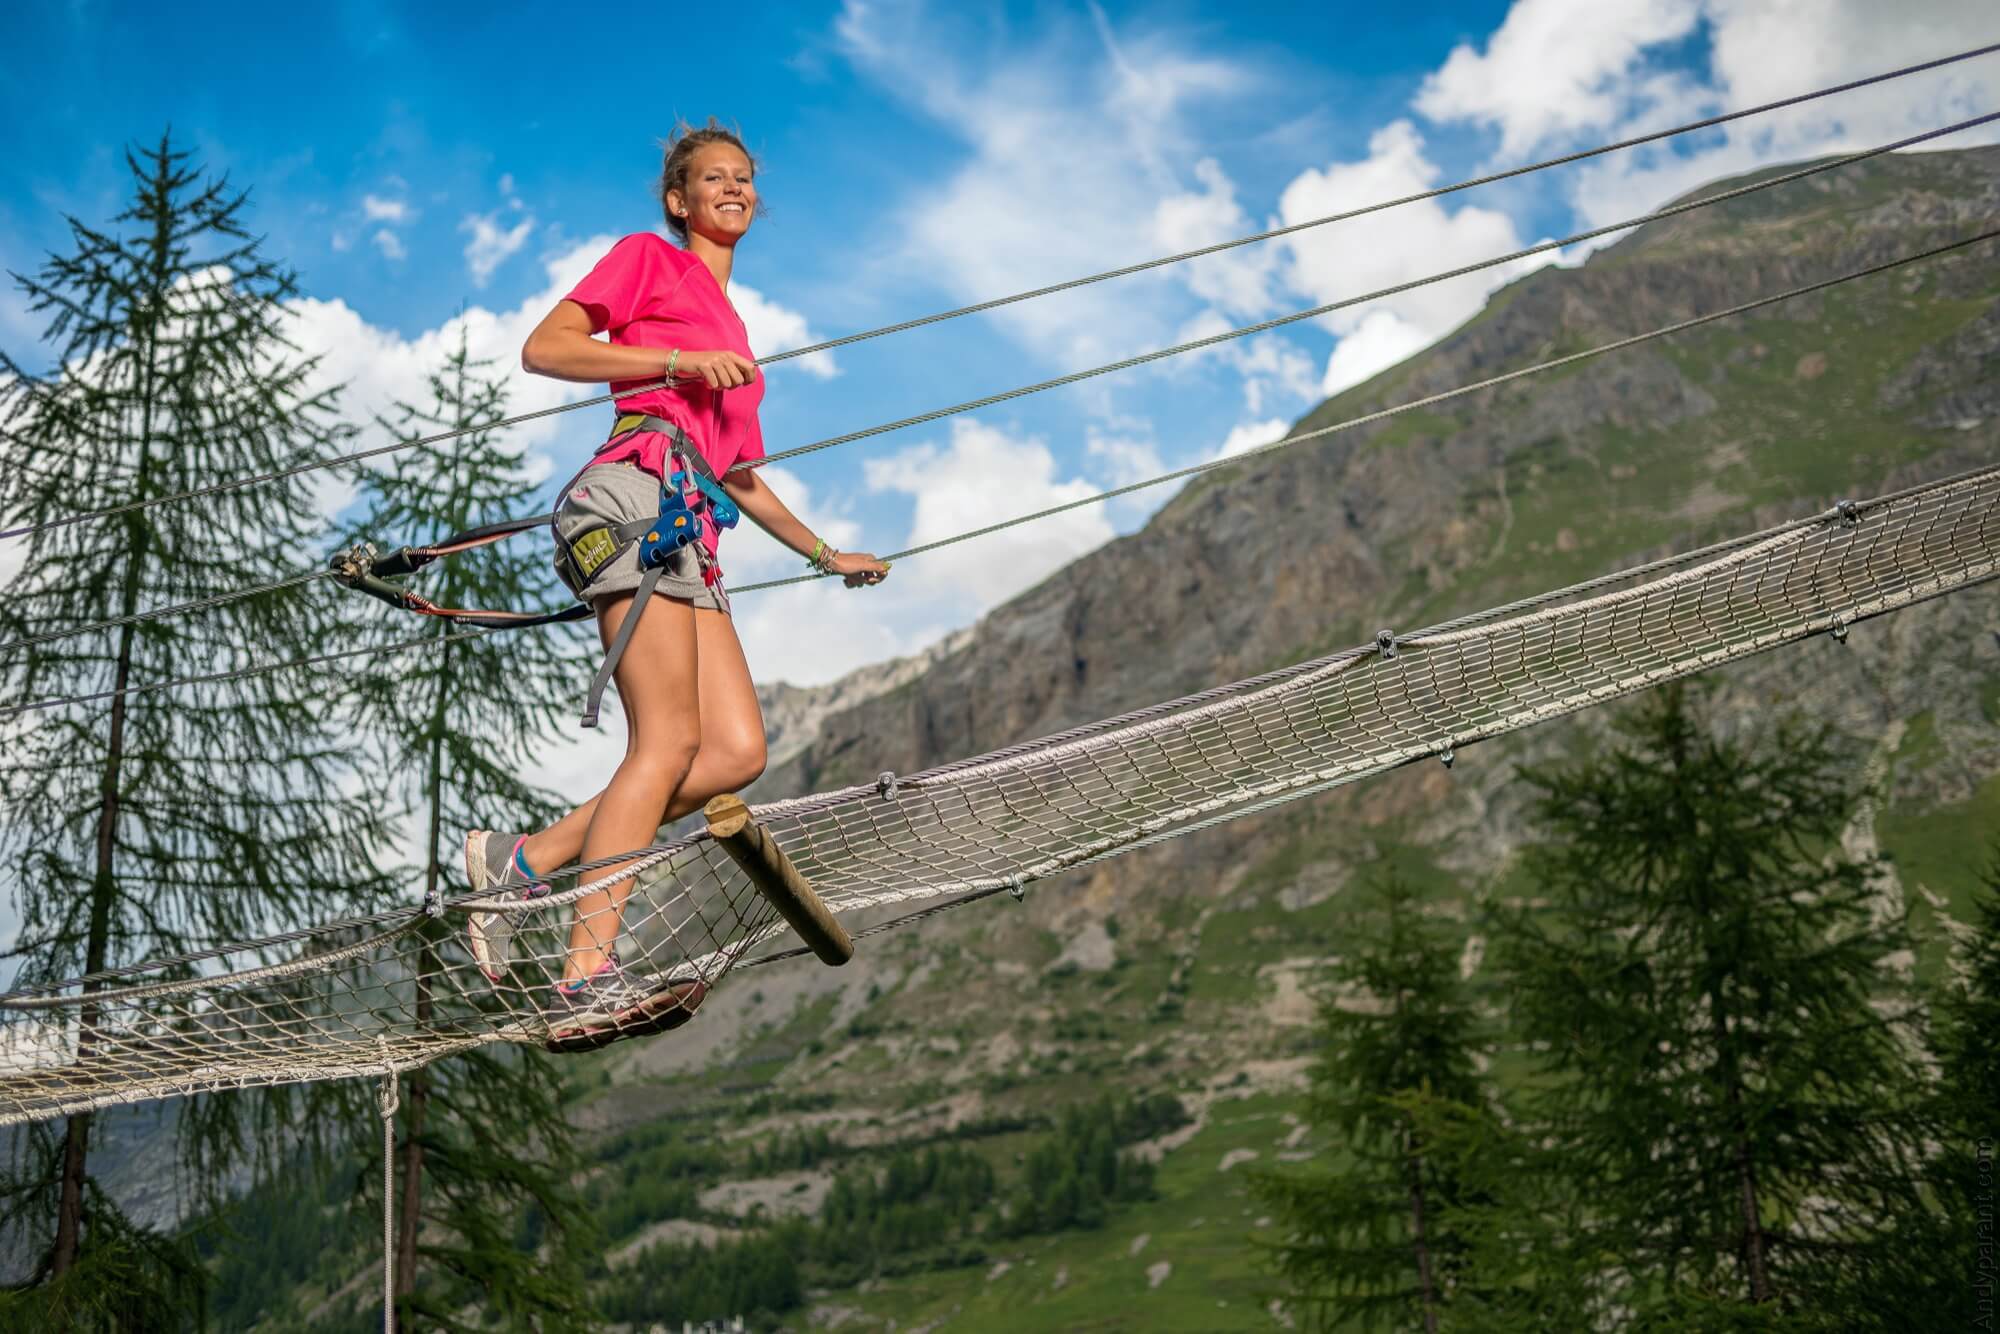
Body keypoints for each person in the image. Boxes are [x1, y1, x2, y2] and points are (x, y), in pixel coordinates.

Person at [462, 121, 888, 1044]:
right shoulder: (648, 260)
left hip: (690, 525)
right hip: (627, 499)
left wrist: (825, 553)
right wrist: (673, 360)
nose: (733, 190)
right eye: (713, 179)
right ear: (677, 198)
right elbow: (548, 348)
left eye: (743, 180)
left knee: (732, 753)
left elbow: (736, 473)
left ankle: (520, 860)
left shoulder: (733, 329)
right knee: (669, 738)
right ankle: (585, 976)